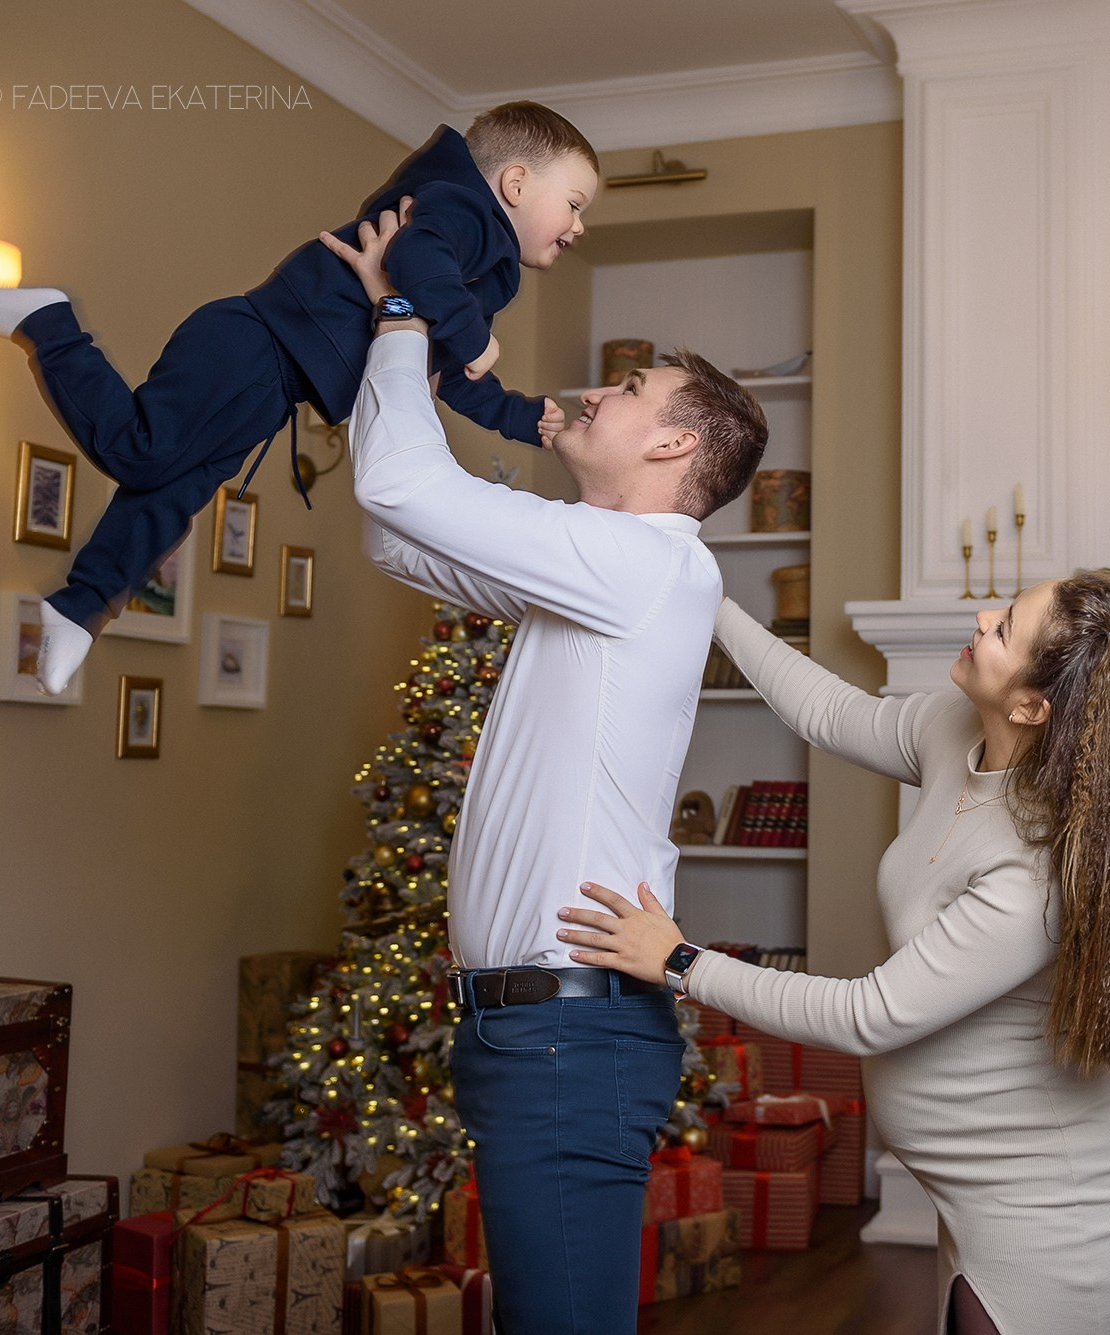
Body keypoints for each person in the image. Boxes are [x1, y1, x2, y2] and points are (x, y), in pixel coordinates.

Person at [327, 204, 769, 1334]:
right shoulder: (601, 569)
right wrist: (393, 340)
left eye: (628, 392)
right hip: (532, 1032)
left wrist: (399, 312)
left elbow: (399, 494)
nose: (592, 395)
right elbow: (397, 536)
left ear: (675, 444)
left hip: (567, 1038)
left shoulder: (643, 564)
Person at [557, 573, 1110, 1335]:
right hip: (978, 1184)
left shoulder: (1035, 872)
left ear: (1033, 706)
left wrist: (681, 961)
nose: (982, 616)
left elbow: (871, 1014)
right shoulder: (956, 730)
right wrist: (708, 595)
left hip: (1062, 1199)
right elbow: (829, 710)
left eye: (1004, 629)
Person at [0, 102, 599, 693]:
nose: (579, 225)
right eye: (572, 204)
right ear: (514, 185)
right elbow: (417, 255)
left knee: (167, 495)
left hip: (274, 383)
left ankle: (78, 610)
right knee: (142, 453)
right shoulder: (462, 213)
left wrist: (516, 414)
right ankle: (50, 324)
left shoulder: (479, 271)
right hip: (253, 345)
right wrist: (472, 335)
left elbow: (437, 364)